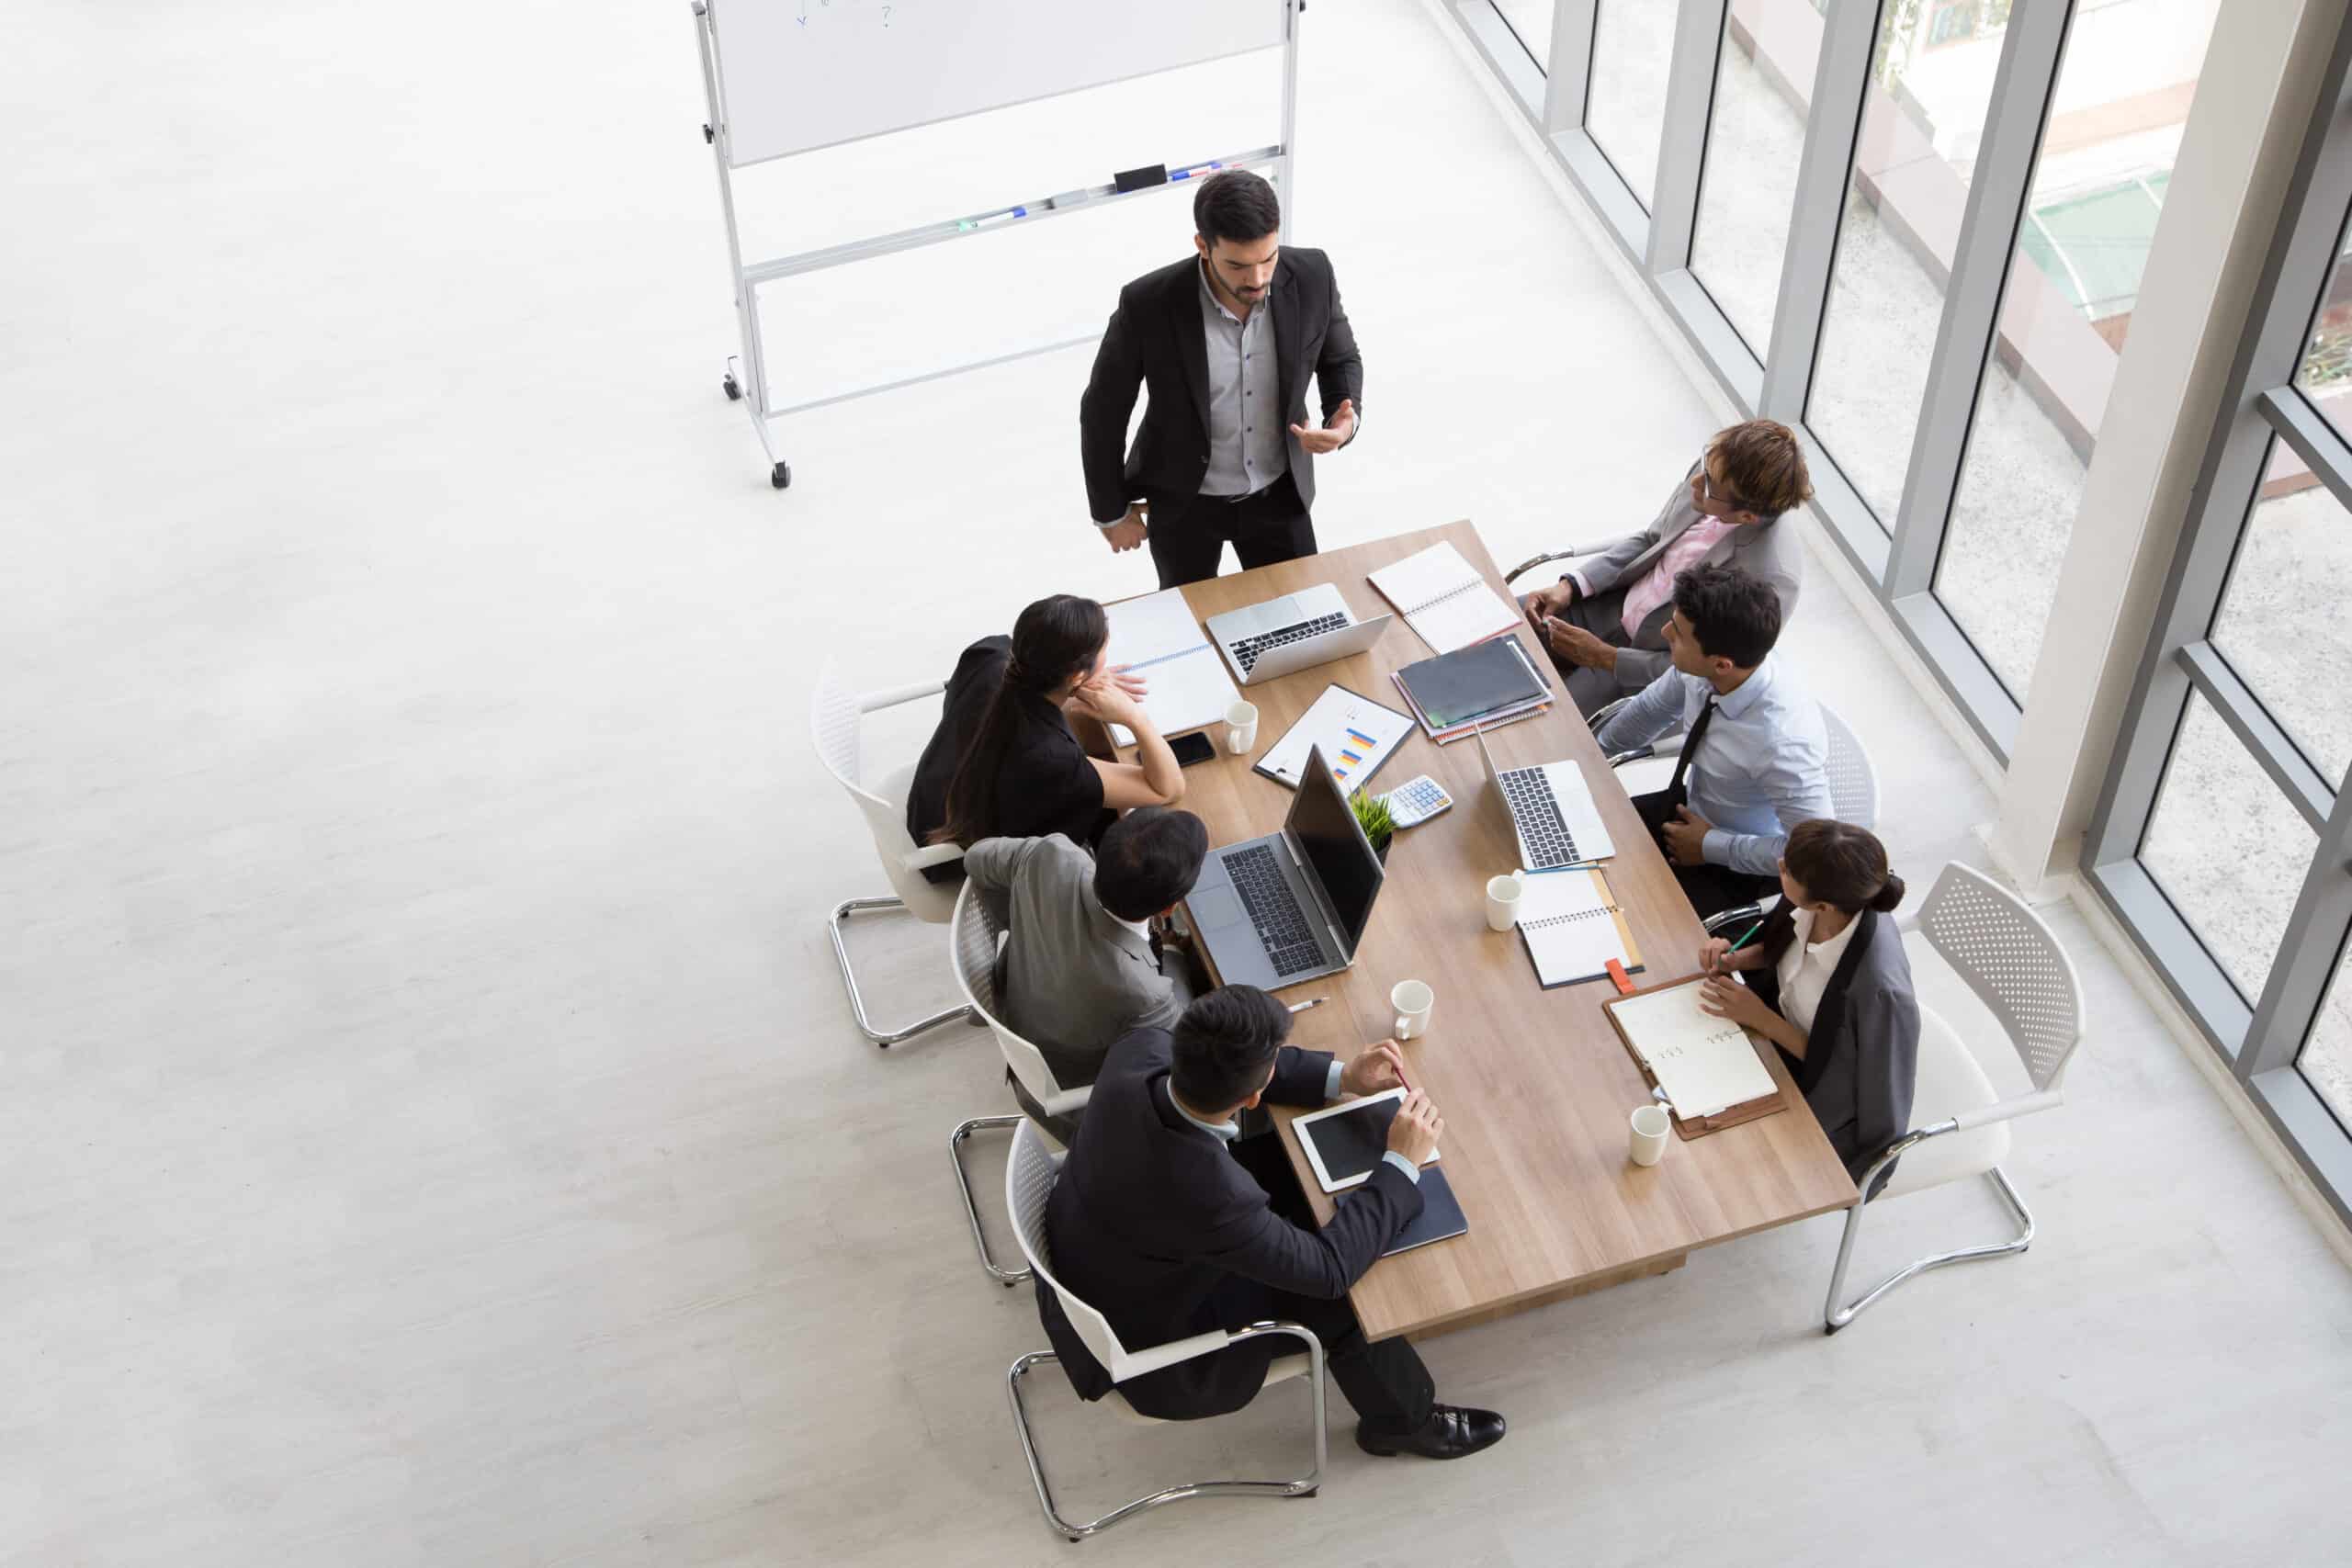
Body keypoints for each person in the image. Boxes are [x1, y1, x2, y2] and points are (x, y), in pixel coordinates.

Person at [1037, 987, 1507, 1460]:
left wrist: (1343, 1076)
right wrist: (1402, 1162)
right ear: (1254, 1094)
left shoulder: (1138, 1052)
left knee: (1290, 1172)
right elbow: (1329, 1272)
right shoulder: (1213, 1195)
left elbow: (1238, 1074)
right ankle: (1404, 1422)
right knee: (1349, 1302)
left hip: (1102, 1249)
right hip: (1157, 1345)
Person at [1079, 168, 1364, 589]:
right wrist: (1111, 512)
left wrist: (1343, 421)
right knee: (1189, 630)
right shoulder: (1148, 304)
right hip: (1183, 504)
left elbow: (1340, 359)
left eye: (1268, 259)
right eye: (1238, 265)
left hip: (1280, 495)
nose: (1257, 279)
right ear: (1202, 246)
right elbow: (1103, 410)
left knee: (1304, 619)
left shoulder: (1312, 273)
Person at [1521, 420, 1812, 716]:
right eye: (1704, 467)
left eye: (1708, 484)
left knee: (1545, 725)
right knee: (1501, 622)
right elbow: (1653, 538)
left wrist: (1607, 658)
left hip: (1645, 667)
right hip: (1609, 606)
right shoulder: (1712, 470)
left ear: (1747, 516)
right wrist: (1572, 584)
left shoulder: (1771, 577)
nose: (1696, 482)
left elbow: (1708, 670)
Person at [1693, 819, 1919, 1195]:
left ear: (1824, 904)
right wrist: (1735, 960)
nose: (1780, 863)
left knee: (1706, 1157)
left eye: (1786, 868)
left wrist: (1759, 1018)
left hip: (1810, 1091)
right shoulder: (1817, 896)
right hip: (1767, 1039)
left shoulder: (1879, 991)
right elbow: (1782, 947)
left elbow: (1850, 1082)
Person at [1594, 564, 1831, 919]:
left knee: (1628, 919)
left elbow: (1811, 859)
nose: (1664, 633)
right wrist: (1588, 758)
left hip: (1736, 865)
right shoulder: (1706, 668)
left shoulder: (1782, 746)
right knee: (1577, 845)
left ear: (1722, 665)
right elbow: (1650, 711)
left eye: (1677, 635)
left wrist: (1711, 847)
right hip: (1690, 812)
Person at [963, 807, 1210, 1137]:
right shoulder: (1143, 993)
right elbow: (1183, 1058)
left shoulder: (1050, 855)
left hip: (1020, 1013)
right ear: (1169, 908)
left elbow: (975, 859)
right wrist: (1174, 954)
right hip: (1073, 1097)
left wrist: (1027, 919)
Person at [905, 595, 1187, 878]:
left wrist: (1072, 691)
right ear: (1076, 674)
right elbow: (1167, 789)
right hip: (958, 854)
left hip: (929, 806)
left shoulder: (990, 654)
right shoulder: (1051, 757)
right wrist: (1135, 718)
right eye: (1104, 651)